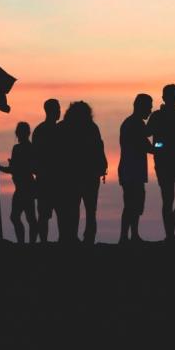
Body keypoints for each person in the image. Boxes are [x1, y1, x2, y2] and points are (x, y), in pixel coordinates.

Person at [57, 101, 108, 243]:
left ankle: (73, 237)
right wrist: (102, 166)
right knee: (90, 210)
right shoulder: (91, 128)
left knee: (74, 208)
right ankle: (87, 238)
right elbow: (99, 148)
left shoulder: (63, 128)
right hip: (87, 175)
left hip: (73, 175)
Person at [147, 84, 175, 239]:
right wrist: (158, 147)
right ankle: (170, 233)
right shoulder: (157, 116)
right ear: (165, 97)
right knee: (169, 198)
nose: (172, 98)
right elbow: (146, 133)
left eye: (174, 95)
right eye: (170, 95)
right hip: (165, 162)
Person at [0, 122, 38, 243]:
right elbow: (14, 169)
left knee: (28, 218)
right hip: (21, 187)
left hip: (26, 187)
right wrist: (1, 167)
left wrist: (5, 167)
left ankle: (27, 243)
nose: (19, 135)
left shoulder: (28, 148)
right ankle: (23, 242)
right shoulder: (18, 148)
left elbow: (25, 168)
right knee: (19, 217)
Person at [118, 94, 155, 242]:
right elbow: (145, 144)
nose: (150, 110)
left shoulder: (131, 122)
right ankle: (127, 236)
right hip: (131, 170)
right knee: (132, 204)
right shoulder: (135, 123)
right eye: (149, 106)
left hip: (130, 170)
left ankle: (131, 235)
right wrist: (162, 147)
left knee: (133, 203)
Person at [31, 99, 61, 242]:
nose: (59, 112)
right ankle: (44, 242)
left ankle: (49, 241)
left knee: (57, 213)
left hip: (50, 178)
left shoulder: (40, 130)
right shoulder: (47, 131)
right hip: (47, 178)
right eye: (57, 109)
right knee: (45, 214)